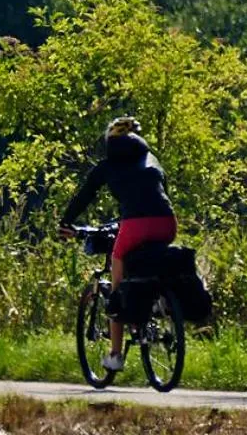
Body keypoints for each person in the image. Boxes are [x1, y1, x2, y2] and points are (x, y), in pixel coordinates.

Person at [59, 116, 177, 372]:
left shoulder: (107, 165)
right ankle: (160, 302)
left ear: (110, 141)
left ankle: (115, 355)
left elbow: (85, 194)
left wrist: (66, 221)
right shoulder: (152, 160)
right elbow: (162, 192)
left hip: (134, 223)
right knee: (151, 263)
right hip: (167, 221)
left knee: (117, 284)